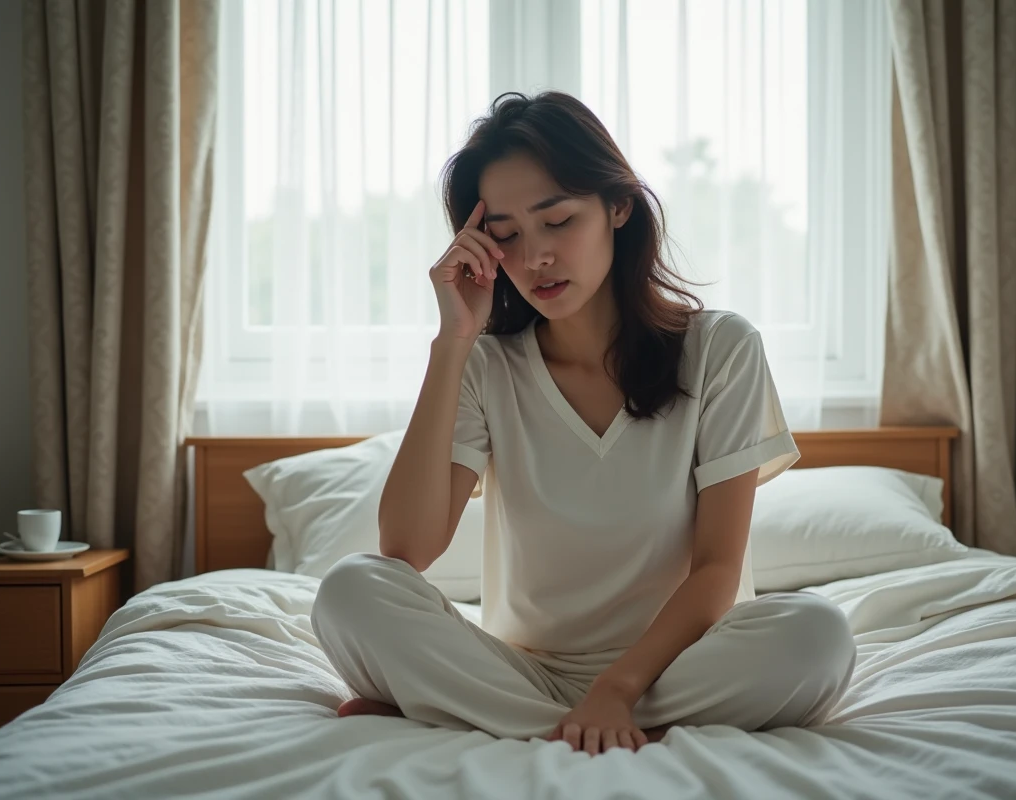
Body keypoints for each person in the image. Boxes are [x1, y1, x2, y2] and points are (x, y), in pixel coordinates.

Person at [311, 91, 855, 756]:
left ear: (618, 207)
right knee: (350, 589)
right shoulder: (486, 366)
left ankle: (474, 714)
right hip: (524, 668)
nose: (536, 255)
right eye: (507, 234)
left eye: (558, 220)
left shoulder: (721, 350)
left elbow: (717, 567)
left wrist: (618, 689)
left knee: (817, 634)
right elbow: (407, 548)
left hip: (674, 666)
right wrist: (452, 341)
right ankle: (601, 733)